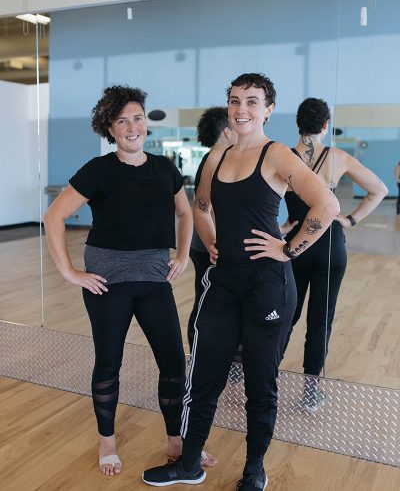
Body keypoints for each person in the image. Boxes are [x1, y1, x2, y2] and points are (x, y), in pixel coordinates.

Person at [142, 73, 340, 490]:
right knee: (206, 374)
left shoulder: (278, 154)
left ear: (268, 109)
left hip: (268, 283)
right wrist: (212, 242)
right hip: (224, 280)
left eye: (252, 101)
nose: (242, 109)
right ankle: (190, 462)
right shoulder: (220, 155)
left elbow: (328, 203)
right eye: (235, 100)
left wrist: (289, 249)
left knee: (259, 381)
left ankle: (254, 469)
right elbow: (201, 205)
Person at [44, 85, 193, 476]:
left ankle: (176, 440)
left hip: (153, 277)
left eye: (138, 118)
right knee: (109, 362)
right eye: (122, 120)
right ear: (110, 128)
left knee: (175, 361)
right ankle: (107, 442)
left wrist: (181, 254)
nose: (132, 127)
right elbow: (54, 217)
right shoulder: (98, 170)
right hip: (107, 281)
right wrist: (68, 272)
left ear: (146, 122)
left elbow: (186, 213)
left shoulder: (165, 169)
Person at [281, 97, 388, 411]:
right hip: (330, 245)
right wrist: (350, 219)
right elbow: (379, 189)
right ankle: (311, 392)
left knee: (287, 314)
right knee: (320, 321)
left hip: (297, 246)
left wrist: (284, 227)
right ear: (325, 126)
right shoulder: (338, 157)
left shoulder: (282, 158)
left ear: (298, 125)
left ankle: (267, 378)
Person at [187, 106, 238, 350]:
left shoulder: (214, 159)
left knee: (207, 299)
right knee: (205, 302)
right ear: (227, 132)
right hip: (209, 245)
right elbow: (211, 209)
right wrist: (217, 244)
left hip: (205, 245)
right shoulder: (216, 161)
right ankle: (199, 353)